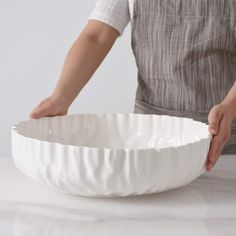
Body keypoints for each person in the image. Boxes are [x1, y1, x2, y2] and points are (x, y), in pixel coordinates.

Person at [30, 0, 236, 172]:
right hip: (152, 140)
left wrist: (230, 106)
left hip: (225, 145)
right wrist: (61, 97)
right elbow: (96, 36)